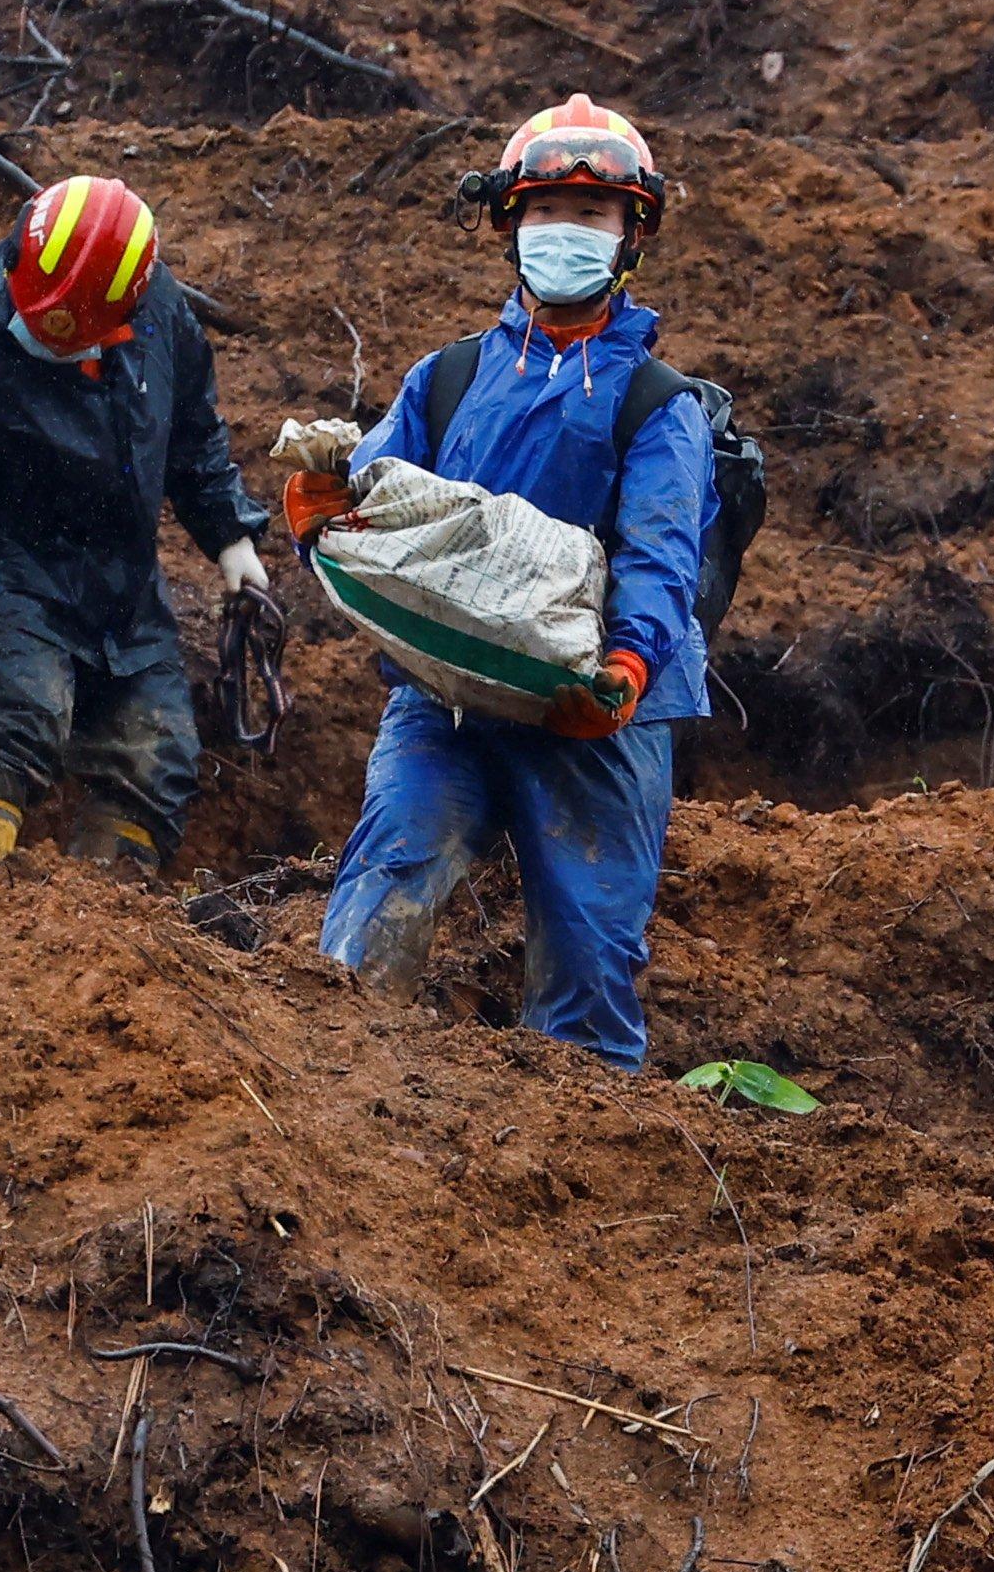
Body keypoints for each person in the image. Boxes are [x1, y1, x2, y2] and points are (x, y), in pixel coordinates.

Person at [292, 96, 714, 1069]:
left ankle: (578, 1159)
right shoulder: (442, 381)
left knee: (586, 962)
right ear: (507, 225)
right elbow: (376, 505)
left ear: (631, 235)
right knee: (376, 904)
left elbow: (661, 558)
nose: (564, 232)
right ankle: (331, 1108)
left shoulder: (657, 406)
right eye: (544, 210)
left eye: (592, 214)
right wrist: (323, 508)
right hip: (448, 699)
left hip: (595, 716)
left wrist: (623, 670)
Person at [0, 174, 275, 871]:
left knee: (156, 758)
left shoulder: (159, 314)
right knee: (16, 719)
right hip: (3, 573)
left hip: (123, 588)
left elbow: (193, 434)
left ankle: (104, 921)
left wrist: (230, 536)